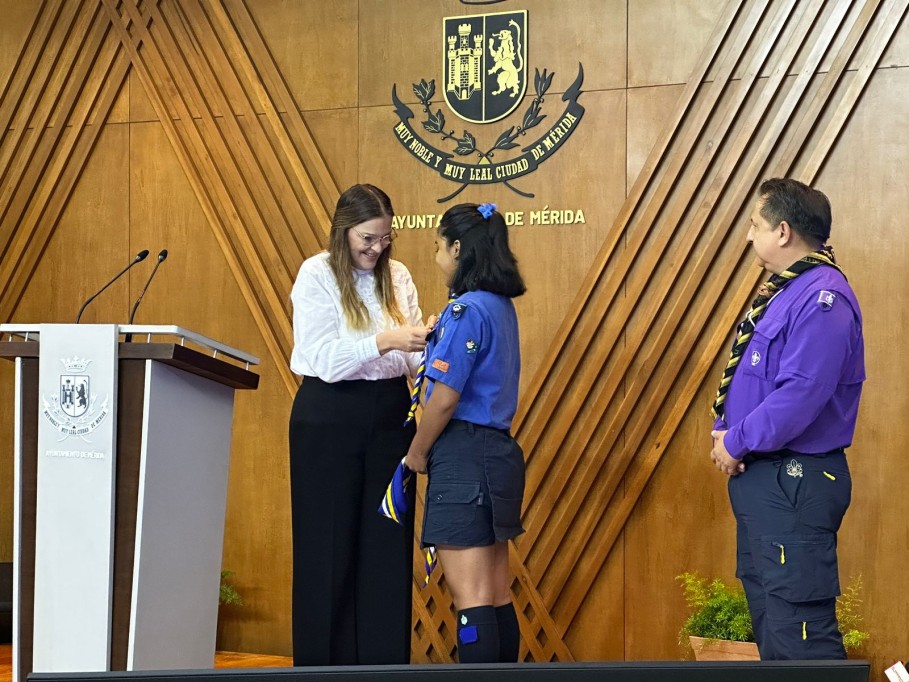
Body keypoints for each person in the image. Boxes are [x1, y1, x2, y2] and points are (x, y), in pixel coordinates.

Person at [709, 178, 865, 660]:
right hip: (769, 479)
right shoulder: (787, 292)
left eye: (754, 226)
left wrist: (737, 440)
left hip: (793, 480)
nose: (748, 237)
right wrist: (731, 436)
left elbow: (801, 394)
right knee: (774, 628)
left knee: (800, 632)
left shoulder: (824, 298)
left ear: (782, 231)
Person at [288, 184, 435, 666]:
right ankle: (320, 670)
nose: (377, 248)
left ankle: (383, 668)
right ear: (342, 231)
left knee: (387, 548)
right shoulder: (317, 273)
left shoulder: (399, 274)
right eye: (367, 239)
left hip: (392, 416)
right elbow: (321, 358)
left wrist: (426, 345)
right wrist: (387, 339)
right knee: (326, 546)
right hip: (329, 413)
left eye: (385, 238)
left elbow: (411, 358)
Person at [403, 202, 526, 664]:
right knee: (496, 591)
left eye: (437, 246)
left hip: (462, 455)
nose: (435, 256)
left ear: (457, 248)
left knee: (470, 597)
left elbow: (445, 396)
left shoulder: (465, 309)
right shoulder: (500, 307)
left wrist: (417, 452)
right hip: (498, 454)